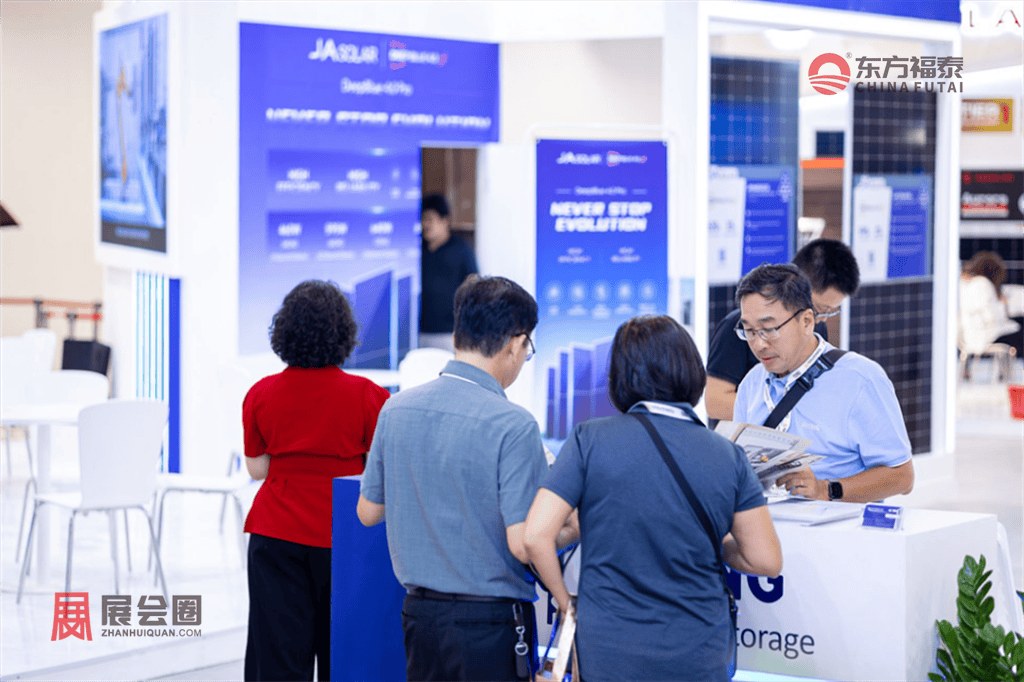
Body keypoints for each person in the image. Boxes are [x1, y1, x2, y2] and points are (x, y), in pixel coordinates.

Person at [523, 315, 782, 682]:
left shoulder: (589, 439)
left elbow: (536, 536)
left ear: (619, 376)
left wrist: (566, 604)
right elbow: (766, 560)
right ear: (692, 371)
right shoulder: (728, 455)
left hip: (609, 649)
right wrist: (715, 541)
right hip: (698, 648)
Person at [357, 276, 571, 681]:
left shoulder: (396, 409)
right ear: (515, 344)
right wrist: (570, 531)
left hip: (419, 617)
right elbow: (523, 542)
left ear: (458, 334)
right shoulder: (514, 425)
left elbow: (368, 512)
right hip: (489, 625)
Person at [243, 280, 391, 681]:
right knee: (343, 655)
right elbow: (378, 470)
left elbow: (257, 469)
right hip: (346, 534)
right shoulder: (370, 396)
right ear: (343, 334)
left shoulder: (261, 393)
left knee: (276, 658)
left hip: (276, 532)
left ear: (284, 332)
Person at [732, 264, 914, 503]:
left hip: (840, 524)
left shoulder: (860, 379)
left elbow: (902, 477)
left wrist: (825, 489)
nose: (759, 344)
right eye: (749, 331)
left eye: (769, 329)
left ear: (807, 321)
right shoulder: (751, 384)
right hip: (769, 522)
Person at [706, 239, 860, 422]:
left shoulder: (815, 327)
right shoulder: (738, 327)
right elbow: (714, 402)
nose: (822, 318)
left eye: (830, 311)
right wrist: (785, 409)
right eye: (819, 309)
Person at [419, 193, 478, 352]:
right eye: (422, 219)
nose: (425, 224)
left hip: (449, 333)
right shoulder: (417, 250)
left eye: (429, 219)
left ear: (445, 220)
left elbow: (474, 288)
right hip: (418, 332)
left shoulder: (462, 249)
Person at [960, 251, 1022, 363]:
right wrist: (1004, 305)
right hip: (983, 338)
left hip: (967, 338)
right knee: (1019, 331)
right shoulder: (983, 283)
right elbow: (991, 316)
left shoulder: (963, 283)